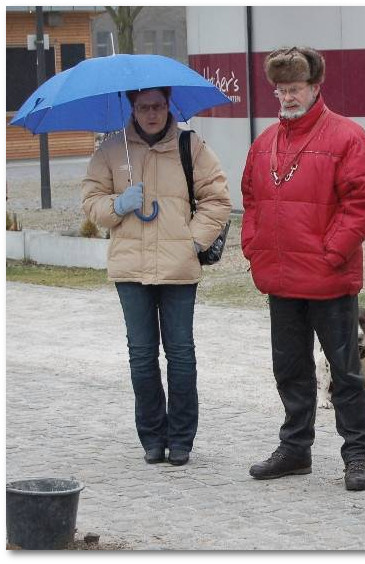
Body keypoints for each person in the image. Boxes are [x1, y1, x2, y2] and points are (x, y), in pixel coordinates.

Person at [241, 46, 365, 491]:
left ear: (315, 87)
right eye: (280, 89)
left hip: (329, 279)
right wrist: (254, 247)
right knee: (290, 369)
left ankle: (357, 454)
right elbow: (250, 201)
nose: (286, 97)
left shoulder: (347, 136)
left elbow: (363, 203)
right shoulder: (264, 143)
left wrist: (331, 253)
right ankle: (295, 448)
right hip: (281, 278)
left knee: (345, 372)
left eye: (295, 88)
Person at [82, 86, 232, 467]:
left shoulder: (190, 146)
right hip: (130, 268)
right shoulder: (111, 149)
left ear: (169, 106)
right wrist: (116, 204)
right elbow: (91, 202)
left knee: (181, 354)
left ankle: (181, 439)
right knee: (142, 355)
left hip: (178, 267)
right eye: (145, 106)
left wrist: (191, 242)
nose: (152, 113)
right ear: (132, 107)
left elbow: (217, 200)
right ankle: (152, 437)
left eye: (159, 106)